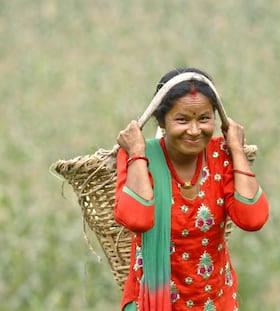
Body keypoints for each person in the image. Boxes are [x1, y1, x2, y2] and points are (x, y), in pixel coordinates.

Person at [114, 67, 269, 311]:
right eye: (182, 119)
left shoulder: (221, 155)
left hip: (216, 302)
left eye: (204, 118)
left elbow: (253, 218)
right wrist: (136, 153)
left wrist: (237, 149)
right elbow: (138, 219)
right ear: (162, 120)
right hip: (151, 303)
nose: (195, 131)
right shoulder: (140, 157)